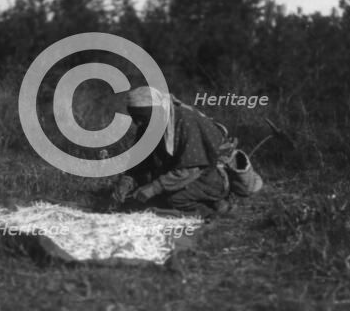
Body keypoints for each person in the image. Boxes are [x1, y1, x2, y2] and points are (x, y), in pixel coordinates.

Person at [111, 86, 262, 215]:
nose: (138, 123)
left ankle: (212, 208)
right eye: (134, 118)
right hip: (179, 174)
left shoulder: (186, 122)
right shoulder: (147, 126)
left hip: (210, 174)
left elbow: (191, 169)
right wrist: (126, 182)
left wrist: (154, 187)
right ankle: (209, 201)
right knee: (146, 199)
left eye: (142, 117)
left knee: (172, 199)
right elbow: (140, 162)